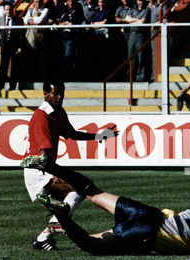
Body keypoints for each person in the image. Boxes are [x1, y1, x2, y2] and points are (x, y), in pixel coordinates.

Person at [20, 156, 190, 255]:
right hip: (147, 233)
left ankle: (51, 167)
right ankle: (60, 213)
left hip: (148, 213)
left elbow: (182, 217)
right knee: (87, 244)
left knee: (92, 190)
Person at [22, 81, 119, 250]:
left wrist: (99, 136)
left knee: (74, 195)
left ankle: (44, 237)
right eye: (56, 93)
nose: (60, 97)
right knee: (78, 189)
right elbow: (44, 154)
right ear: (45, 93)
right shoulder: (41, 116)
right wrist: (57, 173)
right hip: (39, 170)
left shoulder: (58, 112)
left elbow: (72, 134)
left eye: (62, 93)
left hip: (48, 168)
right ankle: (54, 226)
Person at [0, 2, 24, 90]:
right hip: (5, 45)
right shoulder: (1, 20)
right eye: (7, 9)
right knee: (3, 66)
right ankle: (0, 86)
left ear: (13, 10)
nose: (8, 11)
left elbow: (21, 34)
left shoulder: (18, 20)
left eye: (10, 9)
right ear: (4, 10)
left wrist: (20, 46)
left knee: (14, 66)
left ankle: (12, 86)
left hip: (14, 45)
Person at [127, 0, 150, 82]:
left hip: (140, 35)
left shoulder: (146, 10)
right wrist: (137, 20)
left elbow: (142, 22)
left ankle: (140, 76)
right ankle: (130, 76)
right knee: (130, 56)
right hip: (132, 34)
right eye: (140, 0)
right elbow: (127, 19)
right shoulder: (133, 9)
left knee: (141, 57)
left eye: (142, 1)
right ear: (137, 1)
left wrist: (132, 20)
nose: (141, 2)